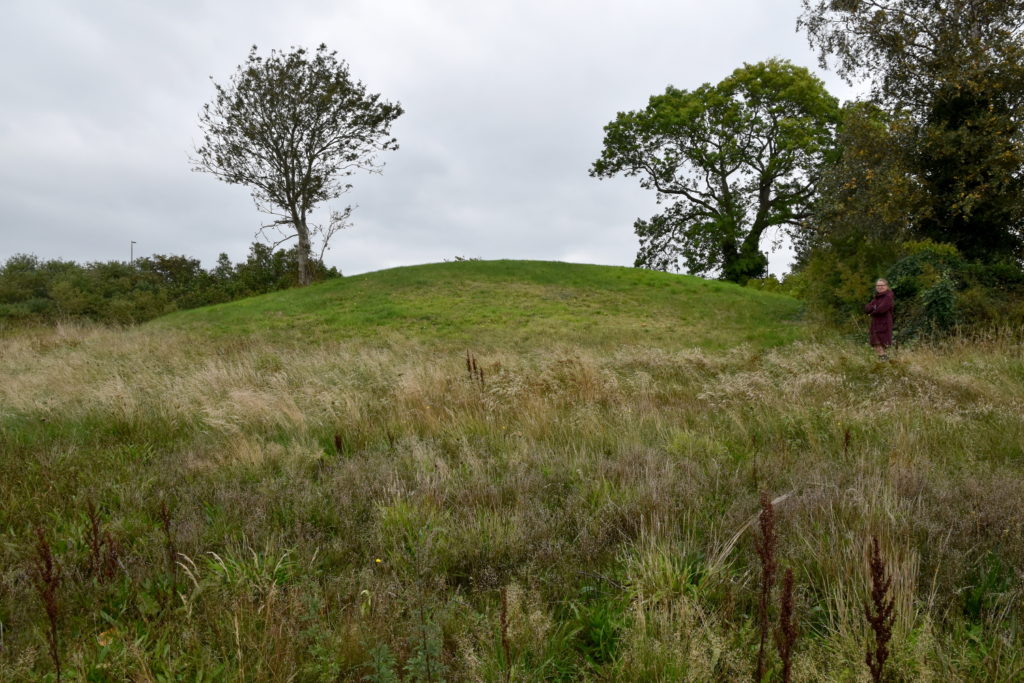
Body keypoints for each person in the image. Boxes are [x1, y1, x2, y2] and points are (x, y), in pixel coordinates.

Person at [864, 279, 894, 360]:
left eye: (882, 285)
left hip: (884, 322)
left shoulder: (888, 296)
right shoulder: (877, 297)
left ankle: (885, 361)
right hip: (876, 322)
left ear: (886, 286)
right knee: (876, 343)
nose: (880, 287)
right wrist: (874, 308)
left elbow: (882, 309)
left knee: (880, 342)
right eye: (878, 285)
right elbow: (867, 308)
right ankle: (884, 361)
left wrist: (872, 312)